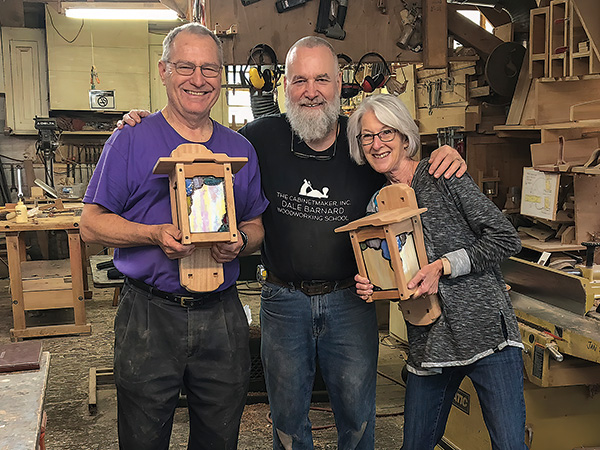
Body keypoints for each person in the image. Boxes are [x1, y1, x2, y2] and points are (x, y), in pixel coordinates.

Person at [120, 36, 466, 450]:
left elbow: (401, 167)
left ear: (340, 84)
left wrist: (442, 156)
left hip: (351, 303)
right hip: (282, 300)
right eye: (300, 80)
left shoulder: (363, 143)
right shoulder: (257, 140)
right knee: (286, 420)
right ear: (285, 86)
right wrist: (141, 120)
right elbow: (202, 137)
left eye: (322, 79)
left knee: (358, 418)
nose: (311, 90)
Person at [80, 23, 269, 450]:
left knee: (219, 436)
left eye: (210, 69)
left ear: (222, 77)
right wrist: (152, 234)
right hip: (150, 314)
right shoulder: (131, 139)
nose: (198, 79)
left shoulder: (239, 148)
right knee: (143, 437)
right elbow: (90, 224)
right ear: (163, 70)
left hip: (222, 314)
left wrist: (239, 239)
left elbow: (257, 226)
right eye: (186, 66)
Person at [348, 94, 526, 450]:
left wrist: (444, 266)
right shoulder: (377, 204)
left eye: (386, 133)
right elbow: (396, 277)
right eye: (367, 136)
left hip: (486, 333)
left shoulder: (443, 174)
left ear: (404, 137)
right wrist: (374, 286)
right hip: (431, 343)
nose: (377, 144)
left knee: (509, 446)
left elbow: (506, 239)